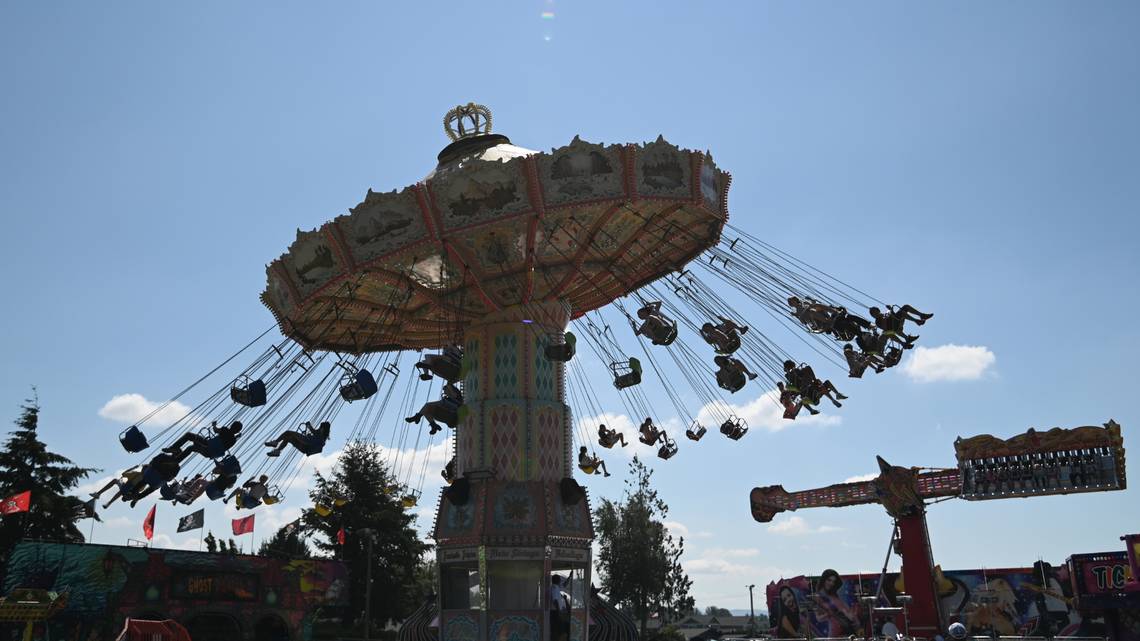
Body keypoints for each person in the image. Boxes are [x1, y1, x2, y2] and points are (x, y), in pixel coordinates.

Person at [162, 421, 243, 462]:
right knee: (192, 447)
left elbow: (215, 430)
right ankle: (177, 460)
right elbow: (230, 439)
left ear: (231, 425)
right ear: (237, 431)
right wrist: (237, 436)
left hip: (207, 445)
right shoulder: (233, 440)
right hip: (210, 452)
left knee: (189, 437)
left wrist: (214, 424)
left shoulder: (225, 430)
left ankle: (175, 449)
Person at [813, 569, 859, 638]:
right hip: (835, 633)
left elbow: (846, 611)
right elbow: (819, 618)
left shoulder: (834, 595)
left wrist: (853, 618)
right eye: (829, 580)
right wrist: (829, 614)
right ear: (824, 579)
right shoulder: (818, 597)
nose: (831, 583)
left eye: (833, 581)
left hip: (848, 630)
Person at [264, 420, 331, 457]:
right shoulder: (321, 436)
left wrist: (309, 426)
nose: (320, 429)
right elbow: (313, 431)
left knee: (288, 432)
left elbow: (313, 432)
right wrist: (309, 426)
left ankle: (276, 442)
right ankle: (277, 451)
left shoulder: (321, 438)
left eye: (321, 428)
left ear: (324, 429)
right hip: (304, 448)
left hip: (306, 442)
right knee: (288, 438)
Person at [549, 575, 570, 641]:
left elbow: (564, 584)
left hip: (556, 611)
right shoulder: (554, 588)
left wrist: (569, 576)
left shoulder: (557, 587)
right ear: (557, 580)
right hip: (555, 612)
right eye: (559, 579)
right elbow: (555, 601)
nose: (560, 581)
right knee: (556, 630)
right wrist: (559, 612)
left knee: (558, 630)